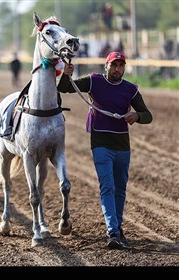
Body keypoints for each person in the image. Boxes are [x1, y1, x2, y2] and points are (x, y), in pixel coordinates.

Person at [57, 51, 153, 249]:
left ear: (124, 68)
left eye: (121, 65)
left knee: (120, 188)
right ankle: (113, 231)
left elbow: (148, 114)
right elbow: (65, 89)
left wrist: (137, 116)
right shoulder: (94, 81)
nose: (117, 69)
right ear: (106, 66)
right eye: (114, 65)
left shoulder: (130, 90)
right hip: (100, 143)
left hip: (122, 145)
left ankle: (117, 226)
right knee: (107, 186)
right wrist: (67, 74)